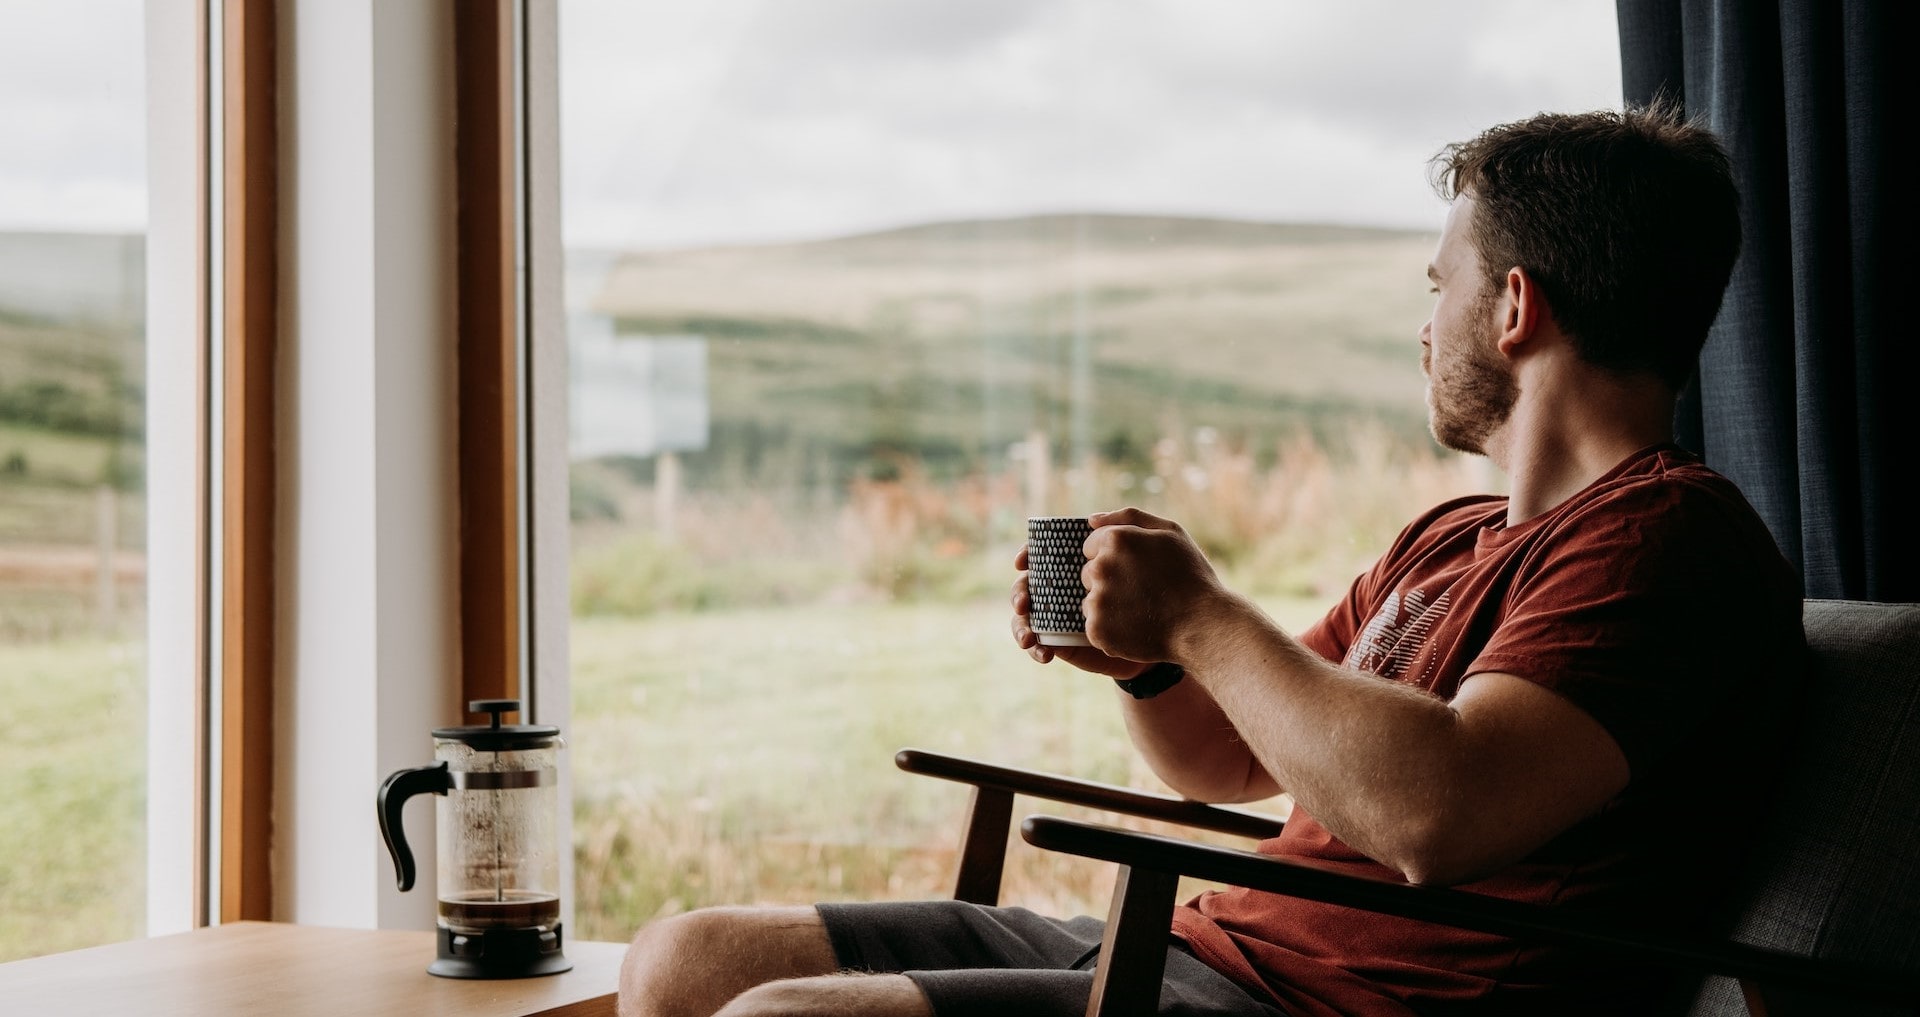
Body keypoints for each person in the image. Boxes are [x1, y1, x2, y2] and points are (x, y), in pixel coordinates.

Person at [616, 102, 1805, 1017]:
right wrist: (1145, 664)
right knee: (687, 958)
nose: (1423, 323)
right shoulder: (1451, 537)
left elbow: (1435, 815)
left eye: (1438, 285)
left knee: (782, 1014)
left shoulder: (1663, 541)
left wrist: (1199, 616)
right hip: (1211, 953)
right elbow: (1235, 757)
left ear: (1512, 308)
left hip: (1336, 1004)